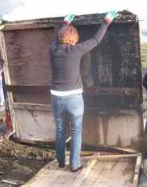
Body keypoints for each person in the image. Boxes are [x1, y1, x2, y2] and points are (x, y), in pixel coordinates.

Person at [49, 11, 118, 172]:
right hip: (74, 99)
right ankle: (74, 164)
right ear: (74, 40)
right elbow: (96, 39)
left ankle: (60, 160)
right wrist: (106, 21)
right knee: (76, 130)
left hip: (56, 98)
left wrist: (65, 22)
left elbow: (56, 38)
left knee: (59, 130)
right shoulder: (76, 50)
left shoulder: (52, 49)